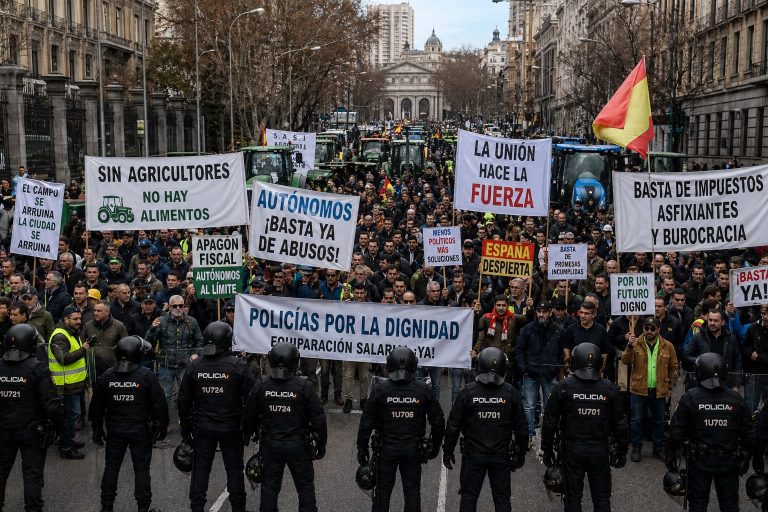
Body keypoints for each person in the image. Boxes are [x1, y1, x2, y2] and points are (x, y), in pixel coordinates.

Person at [178, 322, 256, 512]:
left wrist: (186, 428)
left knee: (201, 468)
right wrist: (250, 427)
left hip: (203, 427)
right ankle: (238, 508)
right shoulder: (238, 365)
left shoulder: (195, 366)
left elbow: (183, 400)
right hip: (230, 427)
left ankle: (197, 507)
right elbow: (252, 399)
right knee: (234, 469)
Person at [541, 342, 628, 512]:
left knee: (572, 497)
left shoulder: (563, 387)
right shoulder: (609, 388)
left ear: (575, 362)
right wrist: (622, 450)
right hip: (599, 450)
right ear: (599, 363)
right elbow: (620, 423)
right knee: (602, 497)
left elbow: (550, 422)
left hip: (572, 450)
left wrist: (547, 449)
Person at [357, 346, 445, 512]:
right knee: (412, 492)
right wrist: (434, 446)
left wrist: (362, 448)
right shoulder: (423, 389)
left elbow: (366, 422)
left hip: (386, 450)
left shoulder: (380, 389)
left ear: (389, 364)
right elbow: (438, 421)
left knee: (382, 494)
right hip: (412, 450)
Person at [243, 342, 327, 512]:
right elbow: (318, 419)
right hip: (298, 446)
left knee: (269, 488)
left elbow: (249, 414)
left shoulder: (262, 384)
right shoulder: (304, 386)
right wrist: (321, 444)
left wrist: (249, 433)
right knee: (305, 487)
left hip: (271, 445)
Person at [443, 347, 528, 512]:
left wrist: (448, 450)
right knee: (502, 499)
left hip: (473, 455)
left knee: (468, 497)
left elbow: (453, 425)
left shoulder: (468, 392)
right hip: (500, 455)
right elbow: (522, 428)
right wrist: (521, 453)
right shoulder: (511, 393)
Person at [89, 336, 168, 512]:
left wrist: (97, 429)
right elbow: (160, 405)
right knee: (141, 469)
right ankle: (143, 507)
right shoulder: (146, 376)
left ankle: (106, 506)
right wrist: (162, 427)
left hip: (115, 430)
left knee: (111, 467)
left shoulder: (107, 376)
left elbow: (96, 407)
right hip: (140, 431)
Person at [666, 352, 753, 511]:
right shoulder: (736, 399)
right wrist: (746, 455)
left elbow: (676, 431)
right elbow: (748, 433)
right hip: (727, 461)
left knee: (698, 505)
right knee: (730, 506)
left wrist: (670, 455)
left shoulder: (690, 397)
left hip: (700, 462)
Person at [0, 324, 64, 512]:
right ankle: (33, 508)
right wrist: (61, 428)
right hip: (31, 431)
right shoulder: (37, 368)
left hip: (3, 429)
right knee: (32, 473)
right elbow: (51, 405)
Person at [620, 317, 678, 462]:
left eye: (652, 328)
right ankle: (636, 447)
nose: (649, 331)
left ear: (658, 329)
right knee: (636, 420)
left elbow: (673, 367)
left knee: (659, 421)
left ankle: (658, 448)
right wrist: (629, 346)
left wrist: (670, 387)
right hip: (639, 389)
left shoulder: (668, 346)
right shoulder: (636, 343)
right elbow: (625, 361)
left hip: (659, 390)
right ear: (643, 329)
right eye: (646, 328)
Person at [516, 301, 563, 442]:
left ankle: (547, 435)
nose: (541, 314)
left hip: (549, 374)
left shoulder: (558, 330)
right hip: (531, 373)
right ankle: (529, 435)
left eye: (544, 312)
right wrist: (524, 369)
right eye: (539, 311)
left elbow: (562, 352)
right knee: (529, 406)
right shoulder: (527, 329)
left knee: (549, 407)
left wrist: (556, 368)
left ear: (550, 313)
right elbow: (519, 351)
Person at [145, 294, 203, 407]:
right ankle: (164, 417)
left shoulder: (191, 321)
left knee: (185, 396)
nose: (178, 308)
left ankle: (184, 417)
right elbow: (149, 342)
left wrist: (196, 354)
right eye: (175, 306)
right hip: (166, 366)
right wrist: (152, 328)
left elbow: (200, 341)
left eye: (181, 305)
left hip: (185, 365)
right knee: (164, 396)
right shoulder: (161, 321)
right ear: (170, 307)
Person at [47, 305, 89, 459]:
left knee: (70, 415)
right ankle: (67, 447)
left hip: (73, 383)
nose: (79, 321)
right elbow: (63, 359)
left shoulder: (71, 332)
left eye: (80, 318)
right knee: (72, 415)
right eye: (75, 319)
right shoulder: (60, 336)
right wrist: (83, 349)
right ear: (66, 319)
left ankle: (67, 440)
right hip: (66, 384)